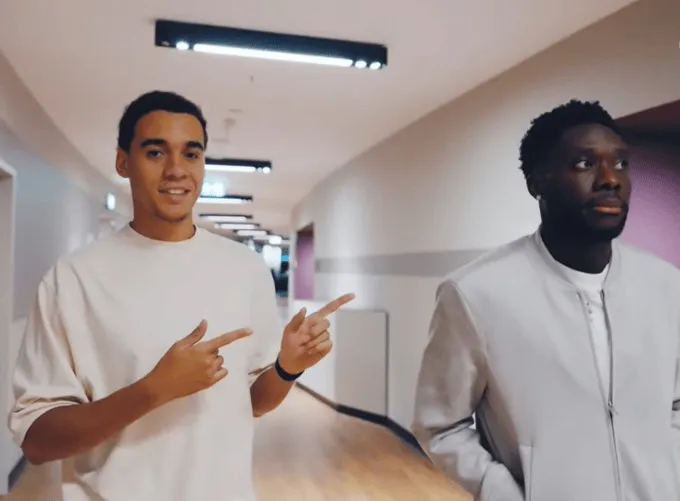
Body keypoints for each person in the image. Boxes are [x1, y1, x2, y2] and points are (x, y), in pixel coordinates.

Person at [8, 90, 354, 501]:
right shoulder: (73, 279)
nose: (176, 170)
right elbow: (37, 441)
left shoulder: (244, 269)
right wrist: (154, 389)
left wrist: (287, 367)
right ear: (123, 162)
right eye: (155, 153)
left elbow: (253, 403)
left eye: (191, 154)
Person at [412, 99, 680, 500]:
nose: (610, 179)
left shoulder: (666, 285)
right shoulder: (476, 293)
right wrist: (501, 491)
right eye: (585, 163)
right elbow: (440, 425)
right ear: (537, 182)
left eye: (621, 163)